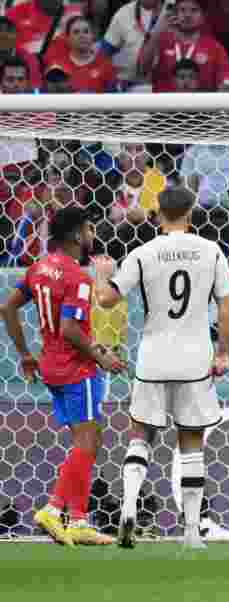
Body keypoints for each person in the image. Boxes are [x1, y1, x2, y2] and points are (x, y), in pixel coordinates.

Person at [92, 187, 229, 551]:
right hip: (194, 359)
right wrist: (223, 353)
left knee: (140, 434)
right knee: (190, 441)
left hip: (153, 357)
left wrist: (101, 274)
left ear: (157, 214)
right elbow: (225, 306)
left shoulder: (144, 252)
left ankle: (127, 509)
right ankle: (190, 532)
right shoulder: (211, 251)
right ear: (191, 214)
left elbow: (107, 300)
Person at [0, 206, 125, 546]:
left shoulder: (38, 268)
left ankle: (81, 520)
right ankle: (54, 510)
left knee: (88, 442)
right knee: (88, 442)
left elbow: (7, 307)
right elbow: (70, 329)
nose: (92, 234)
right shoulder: (77, 277)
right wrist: (101, 356)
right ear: (74, 235)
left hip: (50, 366)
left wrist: (25, 354)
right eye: (88, 228)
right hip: (76, 369)